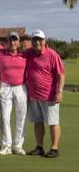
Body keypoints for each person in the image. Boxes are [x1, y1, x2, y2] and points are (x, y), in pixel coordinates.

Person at [24, 30, 65, 158]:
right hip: (34, 95)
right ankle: (39, 147)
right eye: (35, 39)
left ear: (44, 40)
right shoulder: (29, 53)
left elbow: (61, 74)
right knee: (38, 121)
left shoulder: (52, 54)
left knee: (53, 122)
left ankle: (54, 148)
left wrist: (60, 91)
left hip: (50, 96)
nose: (37, 42)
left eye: (40, 39)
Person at [0, 31, 27, 155]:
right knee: (5, 117)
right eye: (10, 40)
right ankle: (6, 145)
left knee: (21, 117)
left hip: (21, 88)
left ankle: (17, 145)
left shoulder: (24, 55)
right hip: (5, 87)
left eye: (15, 40)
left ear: (18, 42)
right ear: (7, 42)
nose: (12, 42)